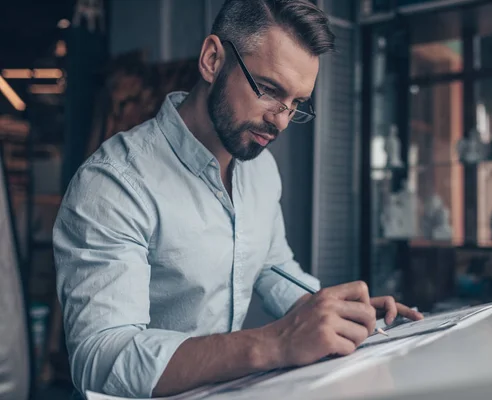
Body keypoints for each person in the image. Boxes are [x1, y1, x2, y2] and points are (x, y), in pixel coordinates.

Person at [53, 0, 422, 398]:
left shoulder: (260, 169)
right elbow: (101, 358)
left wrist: (336, 314)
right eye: (269, 90)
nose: (281, 120)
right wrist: (274, 343)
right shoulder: (114, 184)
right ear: (213, 60)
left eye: (296, 103)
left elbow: (271, 265)